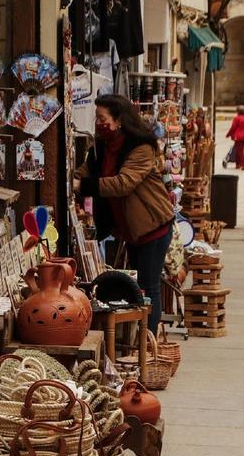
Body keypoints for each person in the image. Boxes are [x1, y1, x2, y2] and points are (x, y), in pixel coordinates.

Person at [74, 93, 176, 327]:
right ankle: (140, 338)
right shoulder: (102, 147)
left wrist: (84, 186)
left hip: (152, 226)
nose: (98, 124)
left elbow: (123, 183)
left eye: (102, 118)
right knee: (138, 286)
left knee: (149, 287)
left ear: (119, 120)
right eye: (96, 118)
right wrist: (73, 179)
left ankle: (148, 344)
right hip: (131, 229)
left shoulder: (140, 147)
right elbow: (86, 171)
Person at [225, 106, 244, 170]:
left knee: (240, 151)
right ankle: (238, 164)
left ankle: (243, 164)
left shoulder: (237, 118)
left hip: (239, 138)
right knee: (237, 150)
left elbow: (233, 128)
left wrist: (228, 134)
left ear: (237, 112)